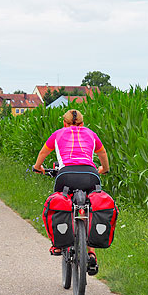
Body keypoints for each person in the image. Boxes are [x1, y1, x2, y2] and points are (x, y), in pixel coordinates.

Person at [33, 109, 109, 276]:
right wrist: (104, 169)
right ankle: (91, 253)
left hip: (66, 175)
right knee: (90, 208)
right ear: (82, 123)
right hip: (91, 174)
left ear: (64, 123)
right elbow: (102, 153)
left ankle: (58, 244)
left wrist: (38, 168)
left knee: (60, 205)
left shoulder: (58, 134)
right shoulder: (91, 134)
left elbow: (43, 153)